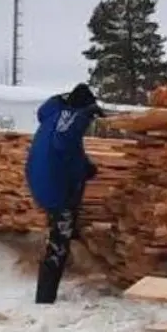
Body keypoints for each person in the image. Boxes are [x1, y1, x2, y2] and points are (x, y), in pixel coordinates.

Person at [24, 83, 103, 305]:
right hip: (53, 186)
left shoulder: (55, 115)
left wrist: (84, 166)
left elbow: (69, 152)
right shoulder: (70, 120)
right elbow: (65, 145)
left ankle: (71, 240)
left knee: (65, 223)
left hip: (41, 178)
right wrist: (84, 170)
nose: (90, 124)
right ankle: (45, 299)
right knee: (59, 242)